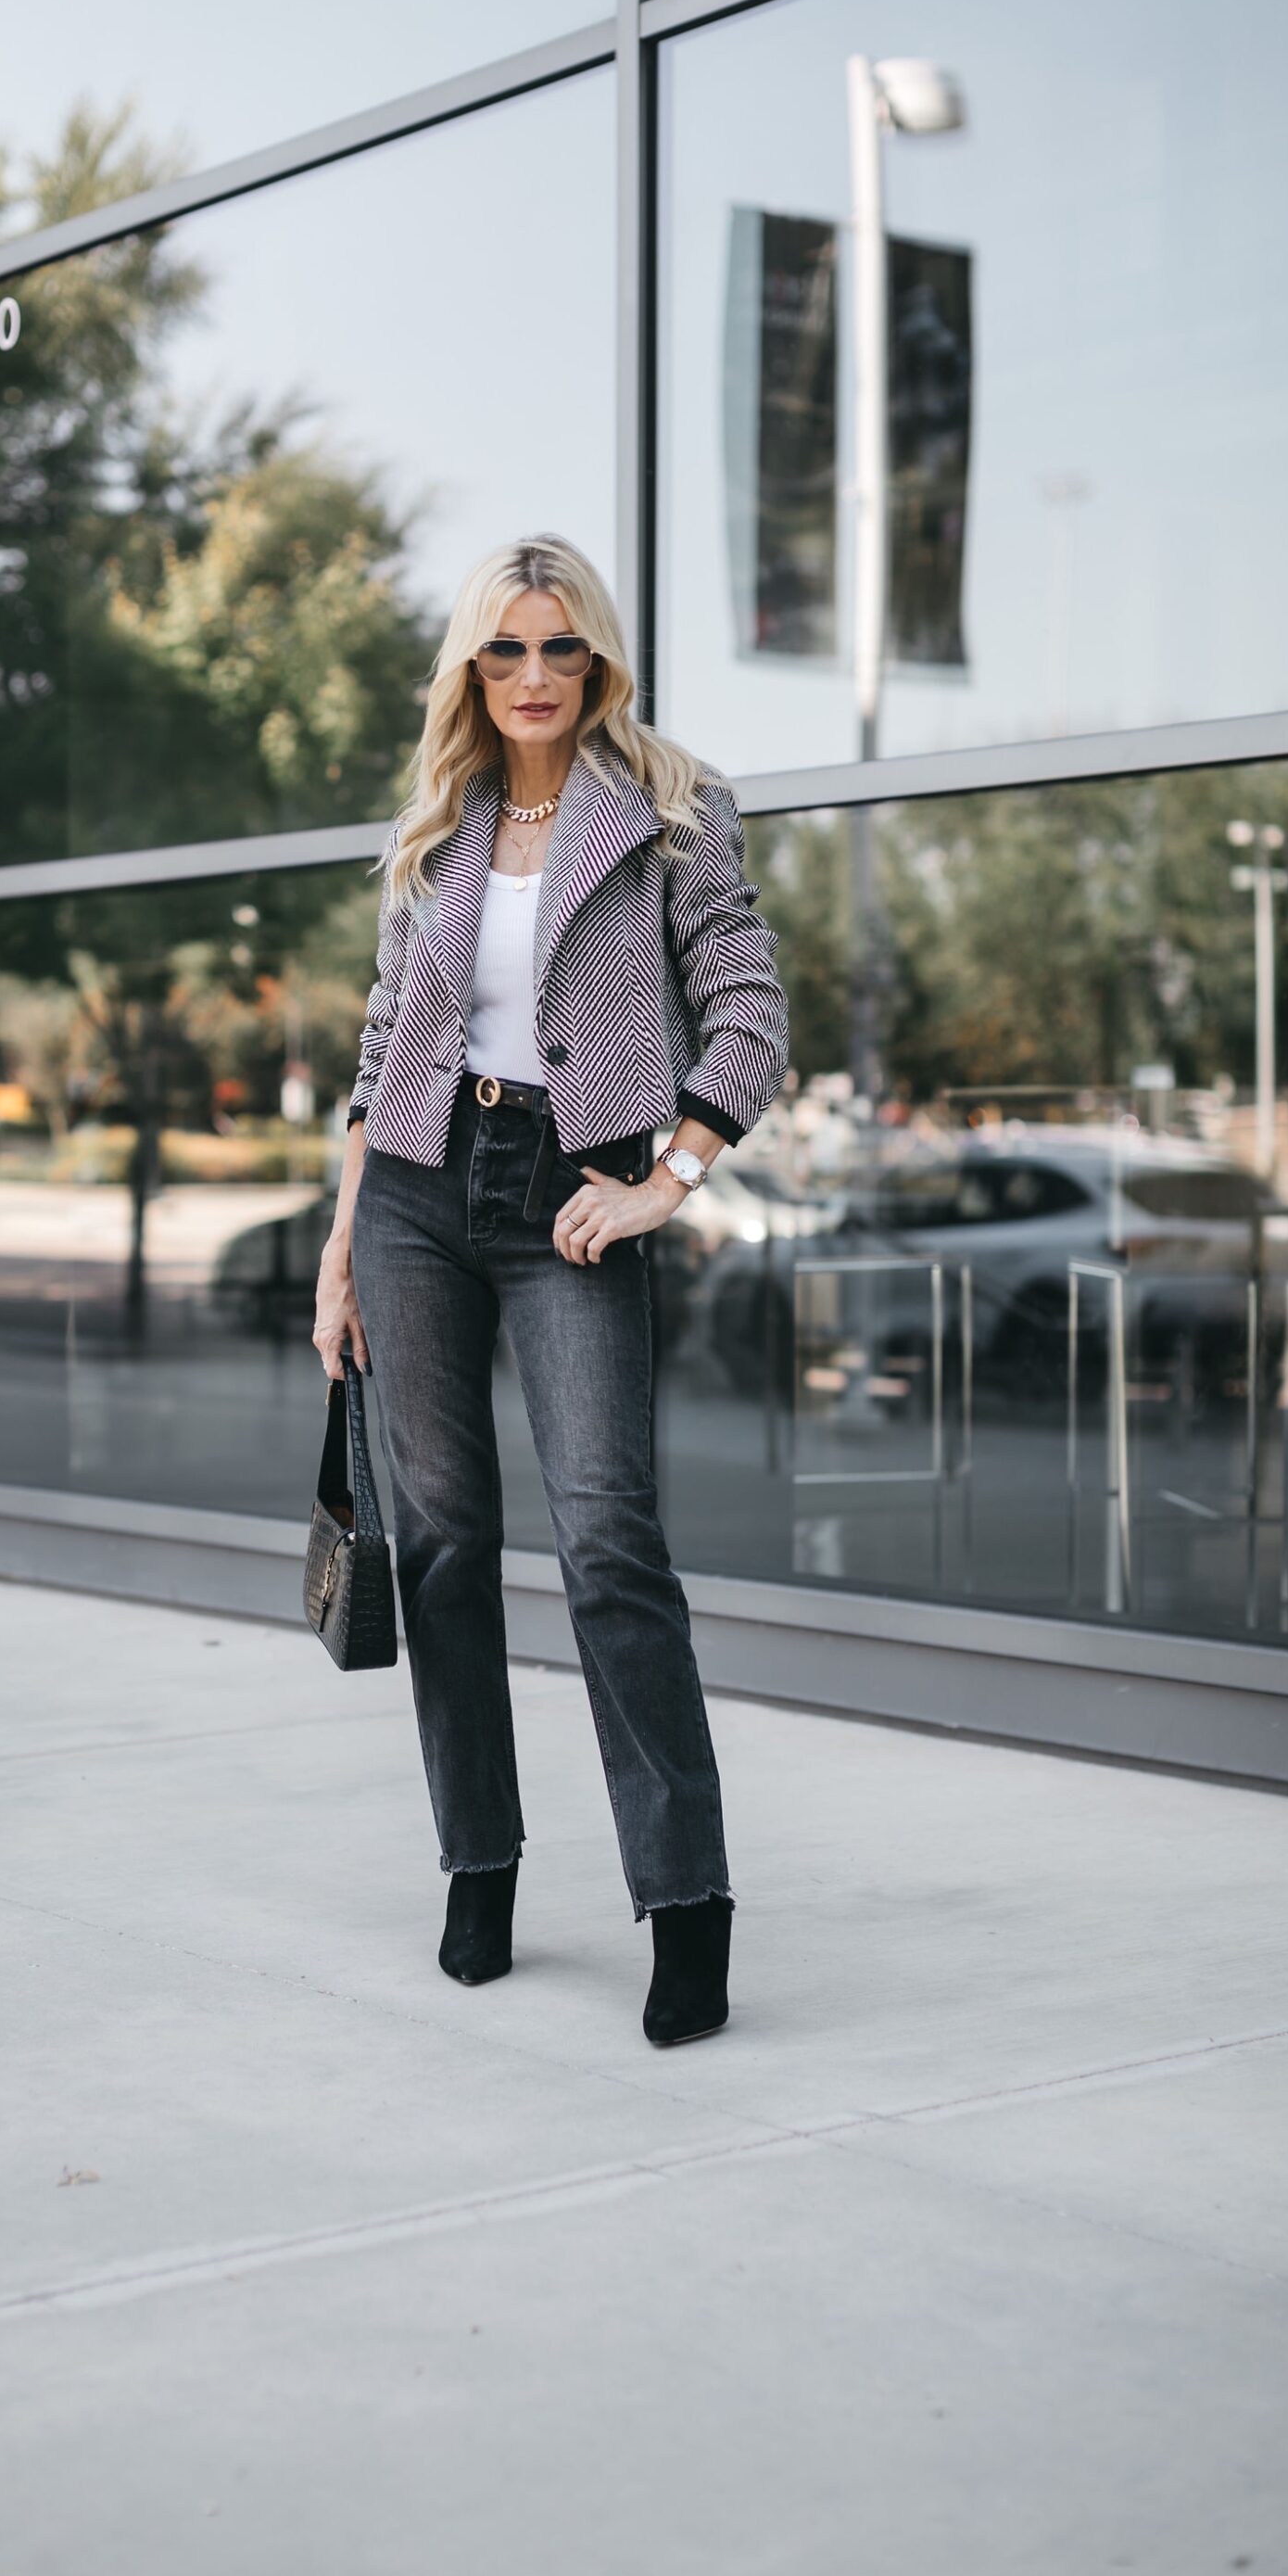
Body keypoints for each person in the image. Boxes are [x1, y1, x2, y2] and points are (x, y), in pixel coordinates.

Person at [312, 534, 789, 2045]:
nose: (534, 676)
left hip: (572, 1191)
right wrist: (341, 1245)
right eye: (507, 648)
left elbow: (751, 1011)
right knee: (446, 1547)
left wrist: (668, 1179)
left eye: (561, 647)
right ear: (473, 664)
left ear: (599, 658)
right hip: (413, 1192)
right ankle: (480, 1866)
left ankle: (686, 1904)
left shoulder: (670, 807)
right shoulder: (440, 820)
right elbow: (385, 1041)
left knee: (611, 1548)